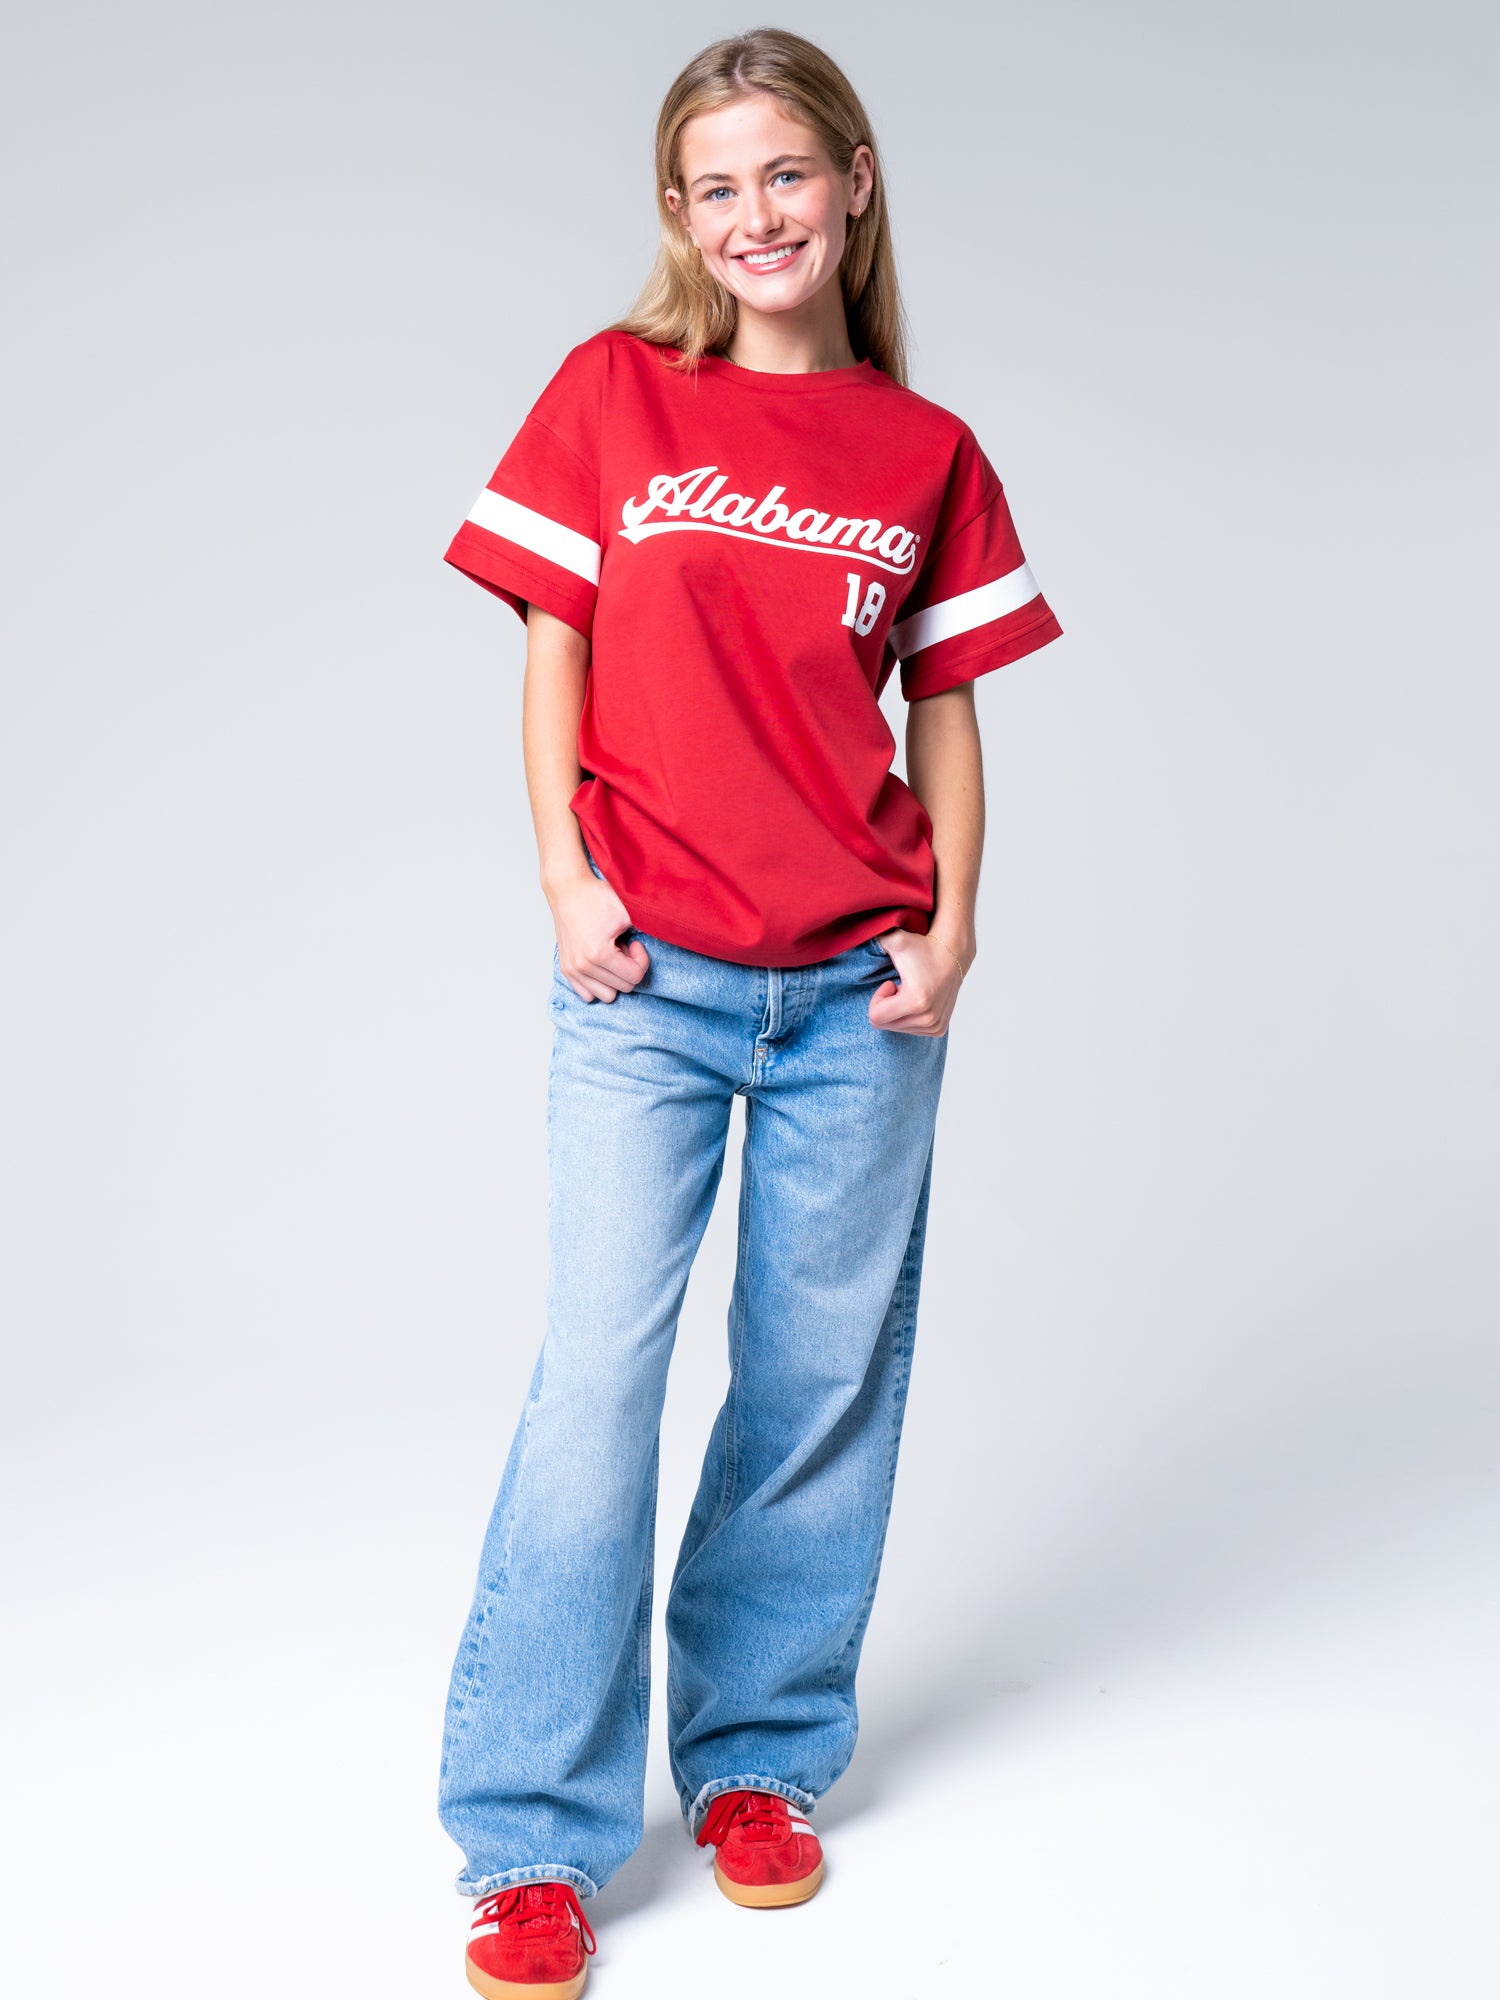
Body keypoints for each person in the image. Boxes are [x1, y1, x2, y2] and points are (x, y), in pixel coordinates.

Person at [438, 27, 1062, 1998]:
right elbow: (554, 648)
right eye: (715, 187)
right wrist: (567, 878)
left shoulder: (925, 451)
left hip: (857, 995)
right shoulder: (613, 395)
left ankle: (760, 1758)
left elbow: (945, 713)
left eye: (786, 173)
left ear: (855, 184)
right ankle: (530, 1836)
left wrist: (954, 929)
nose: (755, 214)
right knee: (599, 1391)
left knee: (816, 1385)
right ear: (678, 216)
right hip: (650, 983)